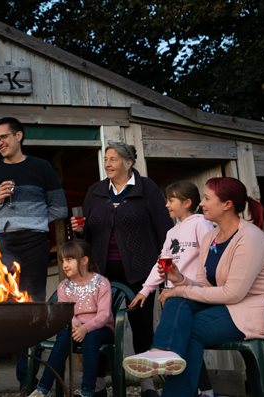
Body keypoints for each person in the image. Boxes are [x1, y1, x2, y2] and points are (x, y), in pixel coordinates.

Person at [122, 177, 264, 397]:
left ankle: (166, 357)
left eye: (208, 198)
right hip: (224, 306)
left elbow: (234, 293)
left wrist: (179, 289)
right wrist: (179, 279)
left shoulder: (250, 238)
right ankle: (163, 352)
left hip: (250, 310)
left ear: (227, 204)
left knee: (188, 327)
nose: (202, 203)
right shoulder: (211, 237)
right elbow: (203, 284)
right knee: (178, 301)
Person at [0, 117, 68, 397]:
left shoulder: (41, 167)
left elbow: (60, 208)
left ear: (19, 136)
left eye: (4, 137)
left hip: (33, 243)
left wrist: (32, 220)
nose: (0, 143)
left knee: (29, 312)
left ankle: (27, 380)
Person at [72, 142, 173, 397]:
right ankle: (97, 383)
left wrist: (166, 267)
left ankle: (147, 383)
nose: (107, 163)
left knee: (141, 327)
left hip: (140, 271)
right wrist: (80, 230)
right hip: (102, 272)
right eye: (106, 159)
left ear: (128, 163)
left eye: (113, 159)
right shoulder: (95, 191)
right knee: (101, 325)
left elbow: (164, 230)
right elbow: (90, 231)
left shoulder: (146, 188)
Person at [128, 180, 216, 396]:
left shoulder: (200, 224)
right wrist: (145, 290)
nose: (166, 204)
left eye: (171, 200)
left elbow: (210, 257)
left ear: (187, 202)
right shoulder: (172, 232)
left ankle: (160, 352)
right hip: (174, 294)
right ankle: (206, 390)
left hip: (194, 292)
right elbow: (161, 264)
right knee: (183, 344)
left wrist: (203, 285)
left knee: (175, 342)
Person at [28, 240, 114, 397]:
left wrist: (85, 328)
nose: (64, 265)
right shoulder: (64, 286)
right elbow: (67, 312)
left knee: (91, 338)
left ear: (84, 260)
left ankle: (87, 391)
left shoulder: (101, 283)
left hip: (100, 329)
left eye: (69, 259)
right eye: (62, 261)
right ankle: (42, 389)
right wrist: (76, 326)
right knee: (62, 338)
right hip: (74, 328)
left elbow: (104, 315)